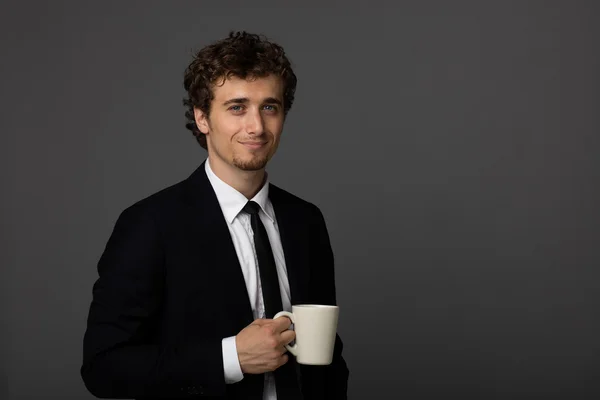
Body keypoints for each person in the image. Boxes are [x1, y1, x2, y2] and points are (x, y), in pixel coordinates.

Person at [80, 31, 349, 399]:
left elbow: (328, 354)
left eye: (269, 107)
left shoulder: (306, 221)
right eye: (237, 107)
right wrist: (231, 358)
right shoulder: (149, 224)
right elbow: (104, 367)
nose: (256, 126)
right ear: (202, 117)